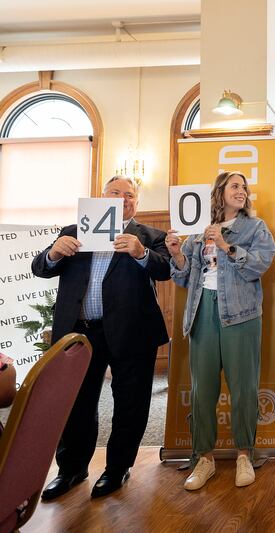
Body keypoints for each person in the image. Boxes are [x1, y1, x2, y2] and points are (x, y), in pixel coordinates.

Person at [31, 175, 171, 499]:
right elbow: (41, 267)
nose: (122, 198)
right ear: (101, 196)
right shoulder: (72, 232)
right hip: (80, 333)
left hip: (132, 332)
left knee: (130, 403)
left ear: (137, 203)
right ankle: (71, 469)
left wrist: (141, 254)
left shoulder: (151, 236)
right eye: (115, 192)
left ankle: (117, 468)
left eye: (129, 194)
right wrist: (53, 254)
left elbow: (166, 270)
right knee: (76, 402)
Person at [166, 171, 275, 490]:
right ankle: (204, 458)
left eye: (244, 187)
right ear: (220, 192)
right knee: (202, 390)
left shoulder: (255, 227)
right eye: (234, 186)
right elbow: (184, 277)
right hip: (203, 311)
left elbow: (259, 265)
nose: (241, 191)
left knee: (243, 388)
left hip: (242, 314)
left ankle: (244, 455)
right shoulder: (198, 231)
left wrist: (226, 245)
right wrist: (177, 254)